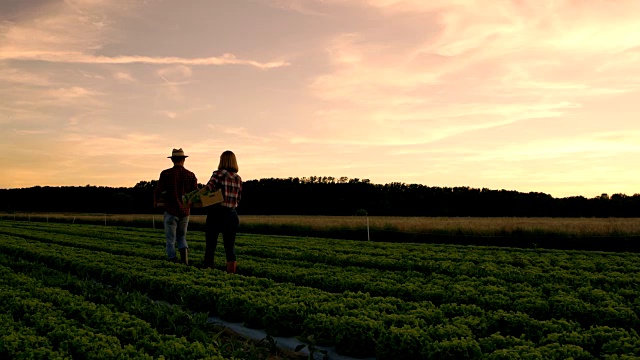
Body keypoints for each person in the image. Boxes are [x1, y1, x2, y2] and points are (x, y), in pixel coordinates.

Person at [154, 148, 198, 265]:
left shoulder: (165, 174)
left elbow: (158, 191)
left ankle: (173, 261)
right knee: (182, 237)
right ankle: (185, 261)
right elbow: (195, 193)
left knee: (170, 240)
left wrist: (156, 202)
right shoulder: (191, 175)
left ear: (172, 160)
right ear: (183, 160)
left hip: (170, 210)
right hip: (185, 211)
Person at [202, 150, 242, 273]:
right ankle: (232, 274)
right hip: (232, 214)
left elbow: (207, 189)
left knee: (211, 245)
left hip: (216, 213)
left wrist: (195, 197)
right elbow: (238, 198)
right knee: (230, 247)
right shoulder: (238, 178)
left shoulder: (218, 174)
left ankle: (208, 271)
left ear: (222, 160)